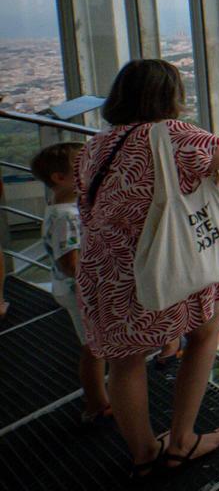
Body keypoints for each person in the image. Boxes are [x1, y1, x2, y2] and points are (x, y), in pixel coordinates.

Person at [74, 59, 219, 480]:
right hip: (168, 262)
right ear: (170, 96)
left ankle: (143, 454)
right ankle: (181, 441)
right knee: (203, 333)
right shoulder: (174, 135)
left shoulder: (94, 147)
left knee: (124, 362)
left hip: (108, 269)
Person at [32, 141, 112, 424]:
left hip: (73, 290)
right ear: (59, 178)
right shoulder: (67, 217)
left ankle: (99, 399)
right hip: (81, 292)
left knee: (93, 345)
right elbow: (72, 264)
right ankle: (96, 404)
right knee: (92, 349)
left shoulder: (60, 206)